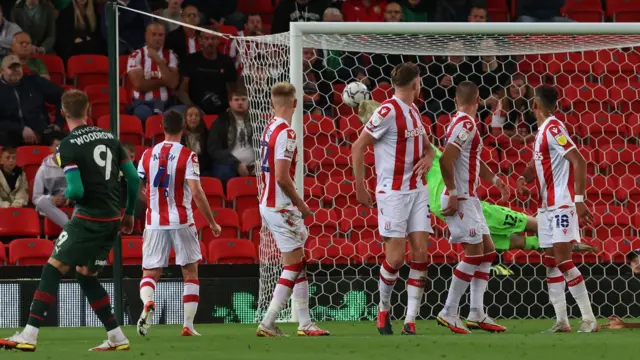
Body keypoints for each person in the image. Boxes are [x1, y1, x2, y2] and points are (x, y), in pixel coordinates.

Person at [0, 89, 140, 352]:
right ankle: (117, 336)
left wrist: (65, 197)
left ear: (63, 113)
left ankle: (29, 334)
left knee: (53, 267)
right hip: (112, 218)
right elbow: (133, 179)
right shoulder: (110, 137)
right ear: (88, 110)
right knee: (86, 275)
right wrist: (130, 212)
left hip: (88, 218)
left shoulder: (68, 144)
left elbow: (77, 191)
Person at [351, 62, 435, 336]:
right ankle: (383, 309)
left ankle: (410, 320)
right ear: (415, 83)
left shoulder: (413, 111)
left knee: (421, 252)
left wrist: (430, 156)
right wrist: (361, 187)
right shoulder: (387, 111)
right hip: (392, 194)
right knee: (397, 259)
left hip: (417, 190)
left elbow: (427, 145)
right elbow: (358, 146)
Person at [516, 85, 597, 333]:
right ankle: (562, 321)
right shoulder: (542, 132)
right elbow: (536, 163)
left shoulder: (553, 127)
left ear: (535, 105)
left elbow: (579, 160)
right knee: (551, 262)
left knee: (562, 260)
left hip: (561, 204)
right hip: (546, 207)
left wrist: (579, 200)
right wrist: (524, 179)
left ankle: (589, 319)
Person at [136, 109, 221, 337]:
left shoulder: (146, 155)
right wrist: (211, 222)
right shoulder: (188, 155)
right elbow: (196, 191)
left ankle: (147, 303)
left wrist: (152, 202)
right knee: (190, 272)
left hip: (154, 222)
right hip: (182, 220)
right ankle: (188, 325)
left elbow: (138, 187)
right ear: (183, 128)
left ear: (162, 127)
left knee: (150, 272)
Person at [256, 82, 329, 337]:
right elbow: (282, 177)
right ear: (295, 103)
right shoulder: (287, 133)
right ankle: (268, 322)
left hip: (268, 204)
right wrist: (301, 204)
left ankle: (305, 322)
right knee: (293, 264)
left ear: (272, 104)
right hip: (281, 207)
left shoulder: (269, 128)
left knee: (298, 263)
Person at [437, 81, 509, 334]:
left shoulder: (461, 122)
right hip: (462, 198)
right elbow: (446, 158)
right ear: (478, 100)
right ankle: (448, 310)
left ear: (456, 100)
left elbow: (472, 159)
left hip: (471, 198)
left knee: (488, 251)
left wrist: (496, 180)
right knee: (475, 254)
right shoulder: (466, 124)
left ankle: (476, 313)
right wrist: (454, 193)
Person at [0, 54, 63, 147]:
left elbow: (63, 97)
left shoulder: (34, 82)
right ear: (2, 71)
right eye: (11, 68)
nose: (16, 70)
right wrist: (21, 129)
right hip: (10, 135)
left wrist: (58, 123)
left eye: (18, 67)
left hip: (40, 131)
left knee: (64, 141)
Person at [127, 22, 180, 123]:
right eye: (154, 34)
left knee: (184, 112)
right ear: (146, 35)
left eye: (160, 35)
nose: (157, 38)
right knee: (143, 113)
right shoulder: (136, 55)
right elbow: (139, 85)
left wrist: (159, 61)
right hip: (142, 103)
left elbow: (173, 83)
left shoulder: (171, 55)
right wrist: (164, 80)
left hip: (166, 105)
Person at [177, 30, 236, 115]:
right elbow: (182, 91)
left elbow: (233, 90)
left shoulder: (227, 61)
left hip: (223, 111)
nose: (210, 42)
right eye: (206, 38)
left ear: (218, 40)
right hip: (196, 111)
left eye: (213, 38)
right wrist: (193, 108)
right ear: (200, 40)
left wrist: (231, 107)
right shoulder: (190, 60)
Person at [207, 89, 254, 187]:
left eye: (243, 99)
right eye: (236, 100)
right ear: (230, 103)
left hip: (255, 163)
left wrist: (258, 162)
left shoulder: (257, 122)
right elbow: (214, 150)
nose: (240, 102)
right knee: (224, 172)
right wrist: (236, 164)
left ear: (248, 102)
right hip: (229, 163)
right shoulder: (220, 122)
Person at [33, 132, 71, 228]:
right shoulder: (43, 169)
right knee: (42, 202)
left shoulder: (72, 165)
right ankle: (68, 225)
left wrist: (70, 197)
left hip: (70, 201)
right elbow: (36, 197)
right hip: (51, 204)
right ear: (51, 148)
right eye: (57, 146)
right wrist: (52, 199)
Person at [491, 75, 537, 143]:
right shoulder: (502, 104)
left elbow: (542, 128)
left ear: (526, 88)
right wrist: (517, 136)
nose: (516, 88)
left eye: (519, 85)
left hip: (531, 142)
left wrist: (528, 137)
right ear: (508, 89)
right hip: (510, 142)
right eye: (512, 86)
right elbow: (496, 131)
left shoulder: (535, 103)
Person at [181, 105, 211, 176]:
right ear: (185, 118)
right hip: (184, 168)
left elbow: (208, 157)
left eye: (196, 115)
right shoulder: (179, 136)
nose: (194, 118)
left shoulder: (207, 135)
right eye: (190, 115)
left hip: (202, 168)